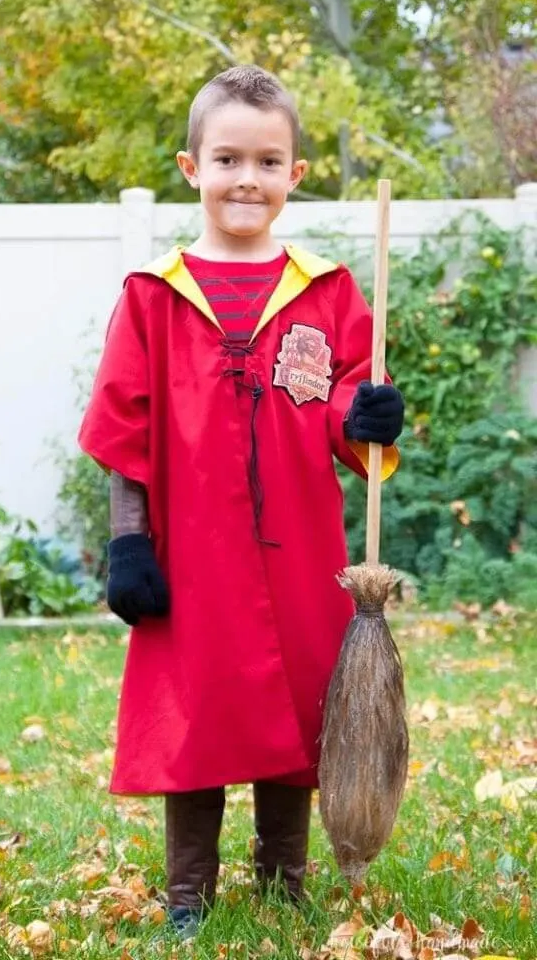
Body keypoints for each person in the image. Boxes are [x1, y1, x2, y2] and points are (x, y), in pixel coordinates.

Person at [78, 64, 404, 938]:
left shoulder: (325, 288)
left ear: (296, 174)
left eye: (267, 162)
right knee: (195, 710)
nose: (246, 179)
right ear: (193, 168)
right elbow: (125, 425)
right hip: (192, 549)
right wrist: (127, 543)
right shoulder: (153, 295)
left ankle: (283, 878)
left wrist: (366, 414)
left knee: (299, 707)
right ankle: (189, 891)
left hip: (299, 548)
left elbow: (345, 402)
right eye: (227, 160)